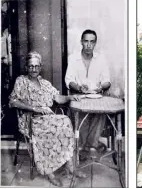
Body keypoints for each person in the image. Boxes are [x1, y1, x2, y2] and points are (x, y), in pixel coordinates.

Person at [9, 51, 87, 187]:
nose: (34, 69)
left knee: (66, 123)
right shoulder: (21, 81)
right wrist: (34, 108)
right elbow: (13, 101)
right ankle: (50, 172)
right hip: (31, 119)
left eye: (36, 66)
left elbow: (57, 98)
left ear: (40, 67)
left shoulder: (45, 83)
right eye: (31, 66)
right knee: (51, 130)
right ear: (26, 67)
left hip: (48, 118)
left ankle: (70, 166)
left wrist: (69, 97)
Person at [65, 29, 111, 159]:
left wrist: (100, 87)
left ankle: (90, 145)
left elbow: (107, 80)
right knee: (80, 113)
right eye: (86, 41)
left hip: (96, 97)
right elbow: (69, 80)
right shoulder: (73, 58)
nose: (89, 45)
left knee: (100, 112)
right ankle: (86, 145)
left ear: (95, 43)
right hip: (79, 97)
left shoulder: (101, 59)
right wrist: (79, 88)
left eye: (92, 42)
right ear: (81, 42)